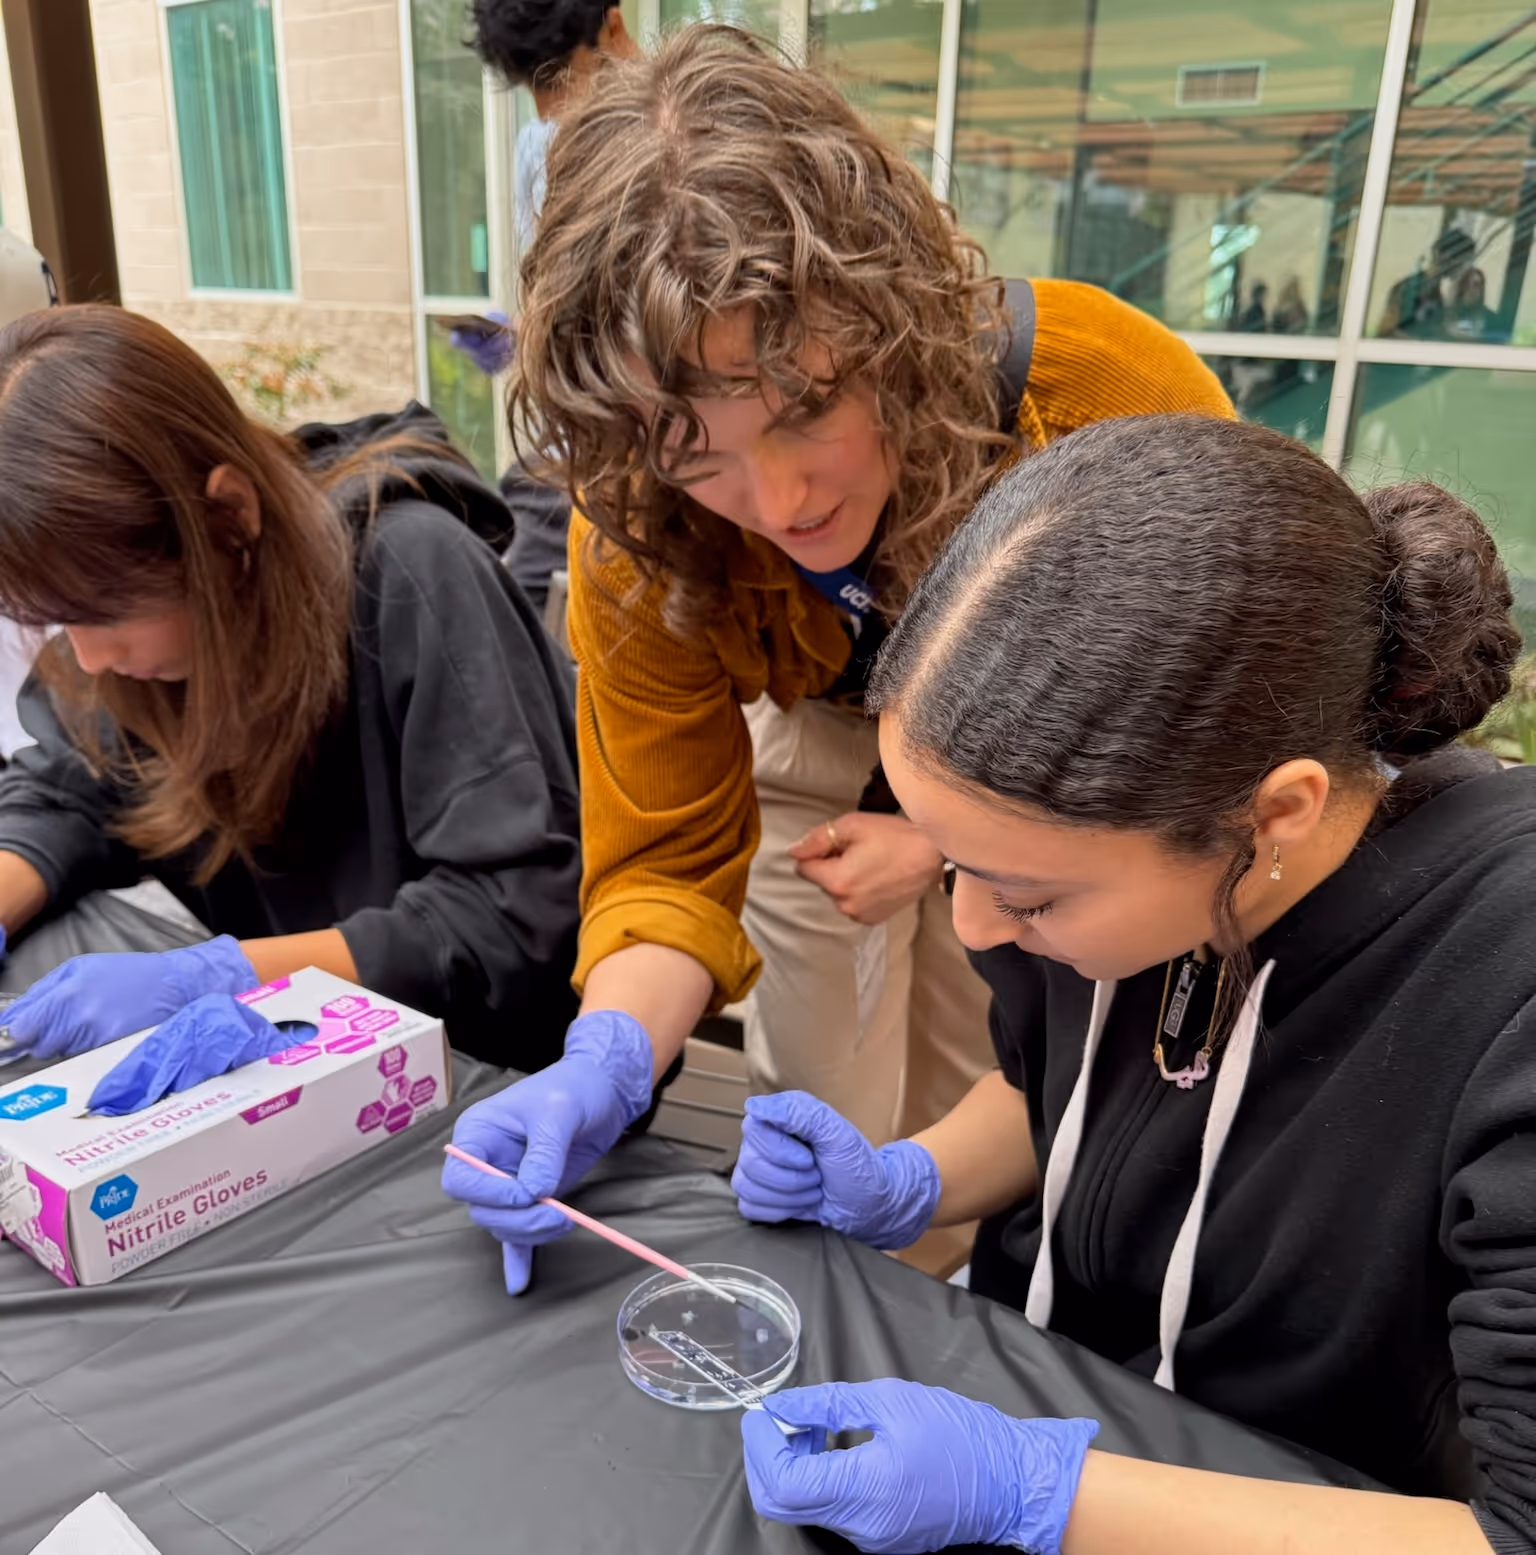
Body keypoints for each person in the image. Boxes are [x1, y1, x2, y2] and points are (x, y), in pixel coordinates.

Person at [440, 25, 1235, 1290]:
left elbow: (1215, 733)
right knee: (830, 1092)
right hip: (818, 729)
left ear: (890, 309)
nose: (779, 497)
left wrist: (944, 843)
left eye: (806, 407)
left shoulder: (1100, 400)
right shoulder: (633, 527)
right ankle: (872, 1294)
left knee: (1001, 1048)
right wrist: (607, 1054)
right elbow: (668, 859)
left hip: (1072, 778)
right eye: (695, 450)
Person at [730, 413, 1533, 1554]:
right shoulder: (1114, 854)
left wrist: (1043, 1493)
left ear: (1274, 815)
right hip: (1018, 1379)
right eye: (949, 861)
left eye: (1031, 897)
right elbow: (1051, 1090)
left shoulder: (1506, 985)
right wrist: (915, 1177)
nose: (970, 923)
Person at [0, 305, 581, 1072]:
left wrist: (228, 975)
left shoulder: (411, 574)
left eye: (106, 613)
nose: (92, 656)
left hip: (492, 1072)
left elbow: (512, 919)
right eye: (58, 623)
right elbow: (69, 787)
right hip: (313, 1066)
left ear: (227, 516)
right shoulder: (147, 647)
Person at [454, 3, 642, 614]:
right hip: (567, 455)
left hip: (646, 461)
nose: (547, 110)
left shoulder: (678, 135)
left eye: (559, 79)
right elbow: (551, 296)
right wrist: (522, 336)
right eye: (532, 86)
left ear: (613, 26)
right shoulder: (538, 144)